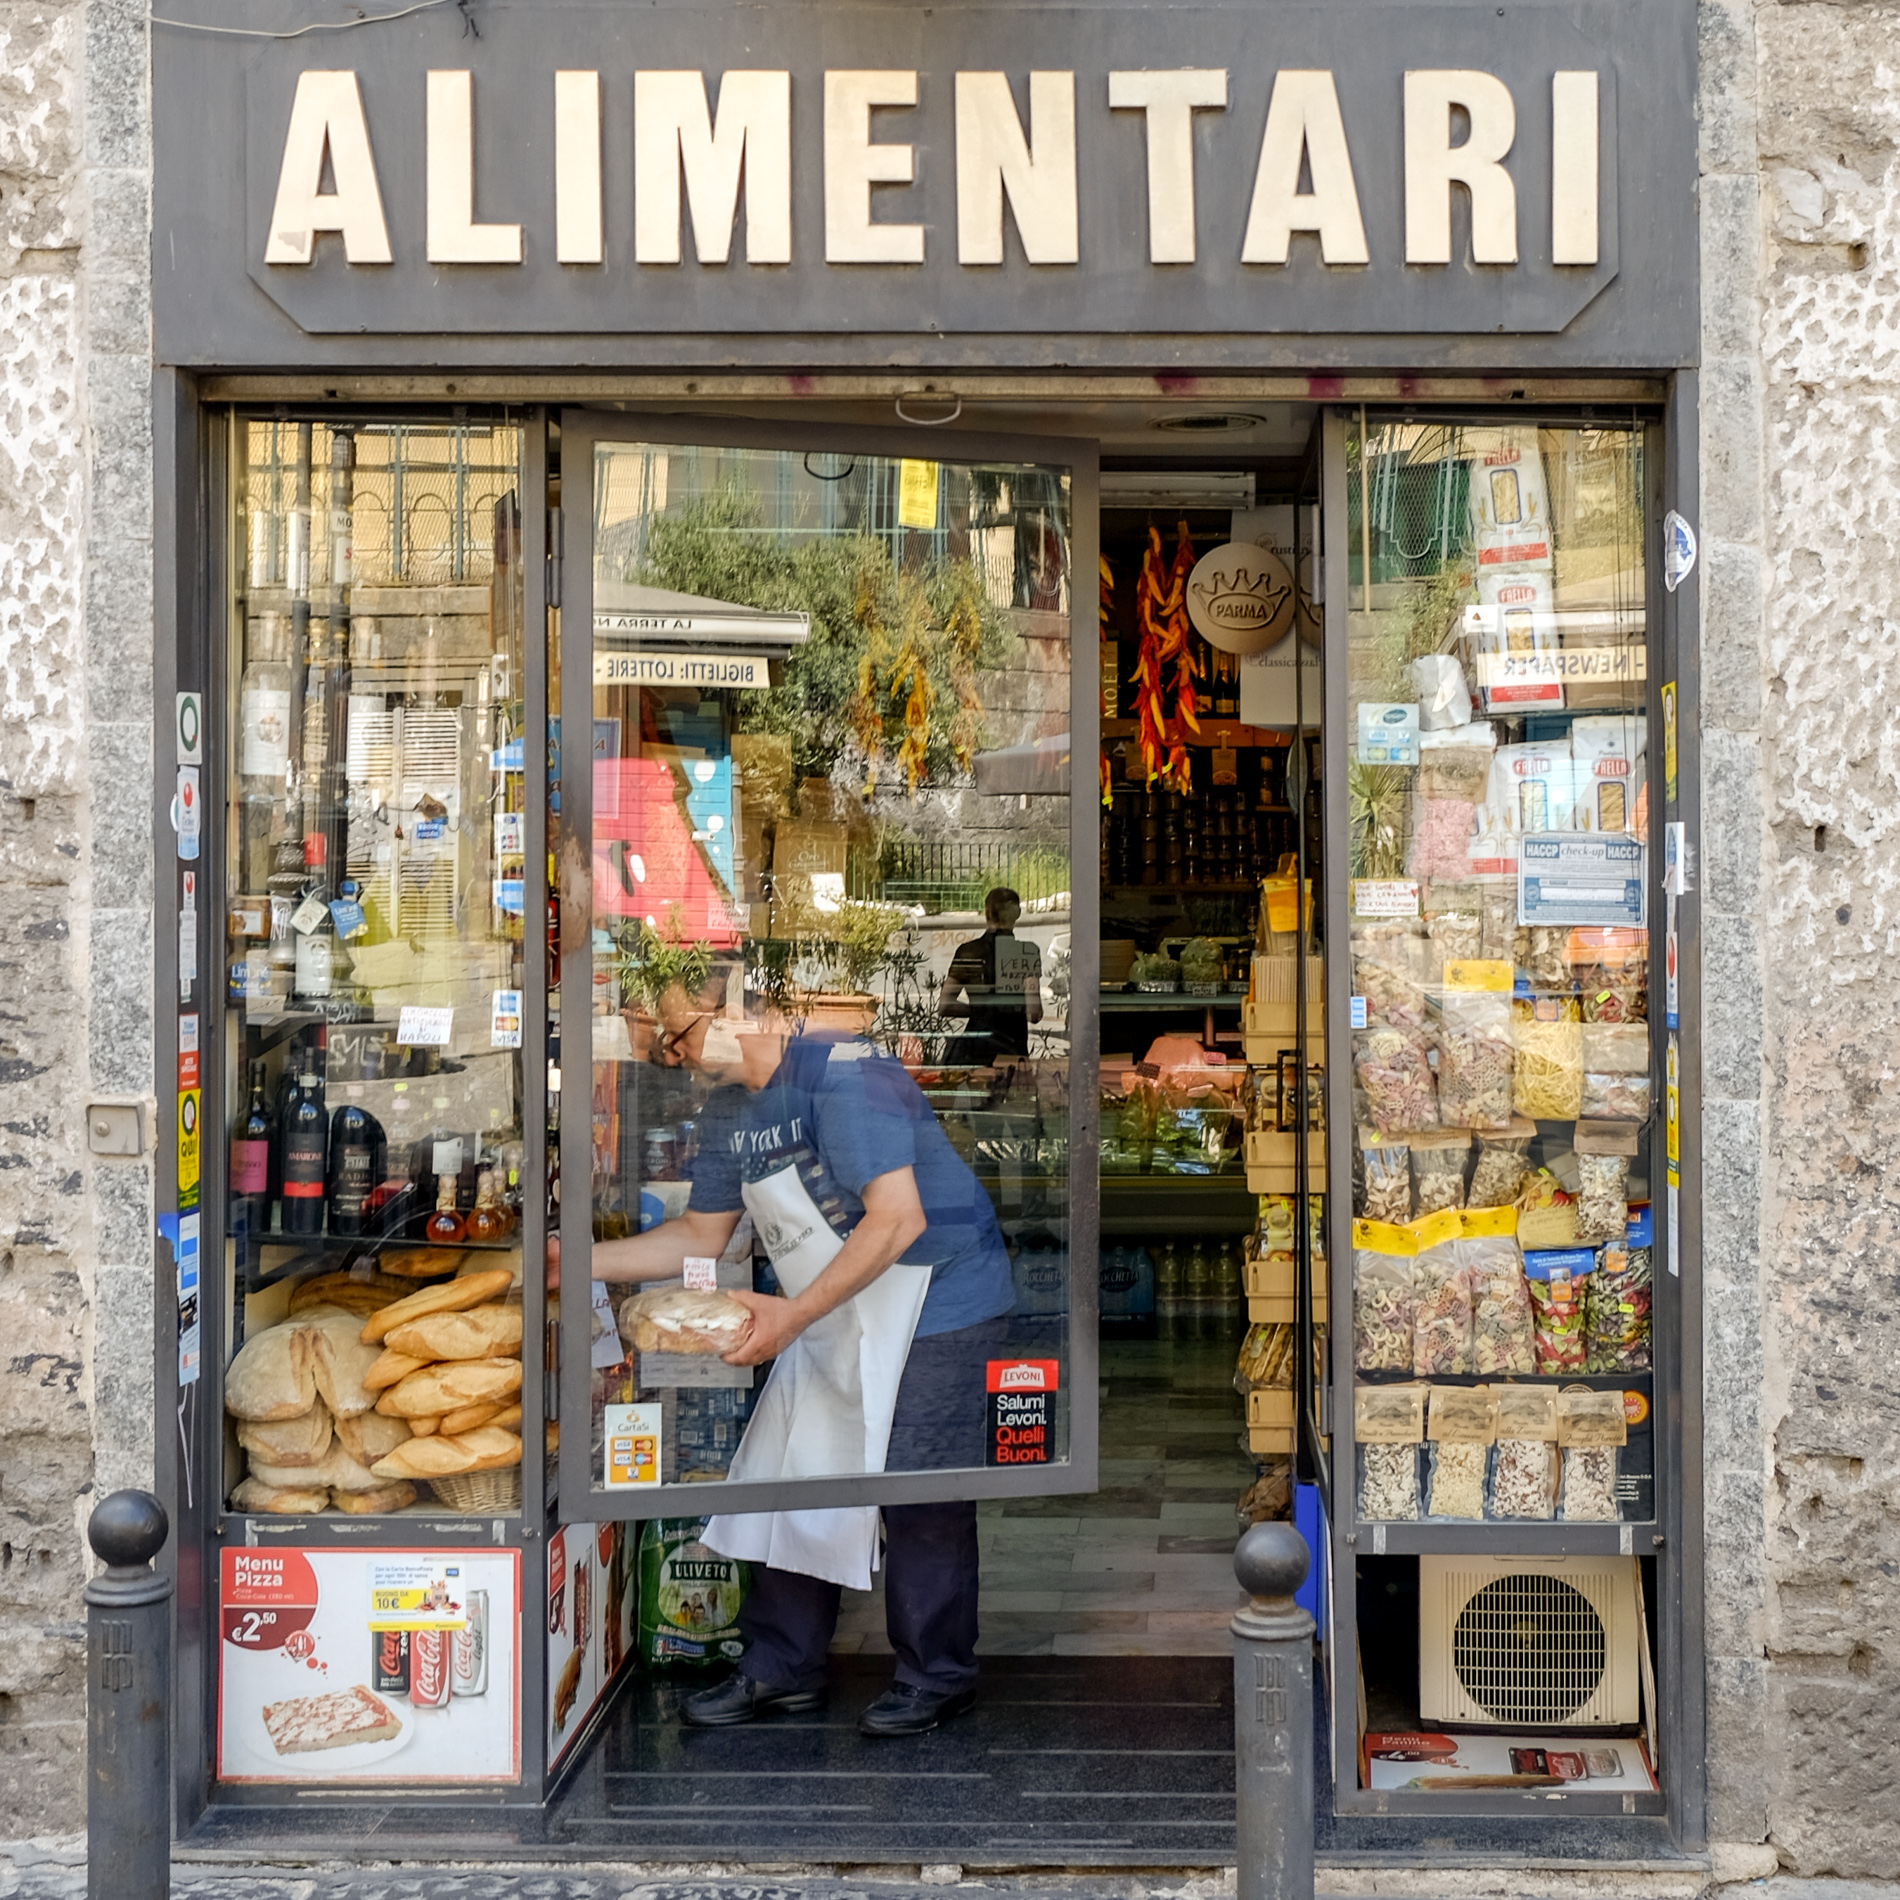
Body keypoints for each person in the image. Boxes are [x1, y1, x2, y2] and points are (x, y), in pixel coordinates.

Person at [582, 982, 1016, 1737]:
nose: (674, 1058)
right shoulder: (728, 1111)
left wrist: (794, 1314)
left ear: (737, 1009)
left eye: (679, 1035)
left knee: (918, 1485)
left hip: (940, 1296)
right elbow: (699, 1235)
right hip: (832, 1301)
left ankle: (936, 1675)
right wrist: (575, 1262)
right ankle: (783, 1666)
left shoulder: (842, 1074)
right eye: (660, 1049)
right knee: (791, 1467)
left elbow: (898, 1218)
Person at [938, 886, 1043, 1064]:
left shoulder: (968, 952)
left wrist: (980, 1010)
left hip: (976, 1047)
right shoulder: (1027, 952)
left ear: (987, 913)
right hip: (1012, 1049)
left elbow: (945, 1006)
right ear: (1017, 914)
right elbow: (1034, 1014)